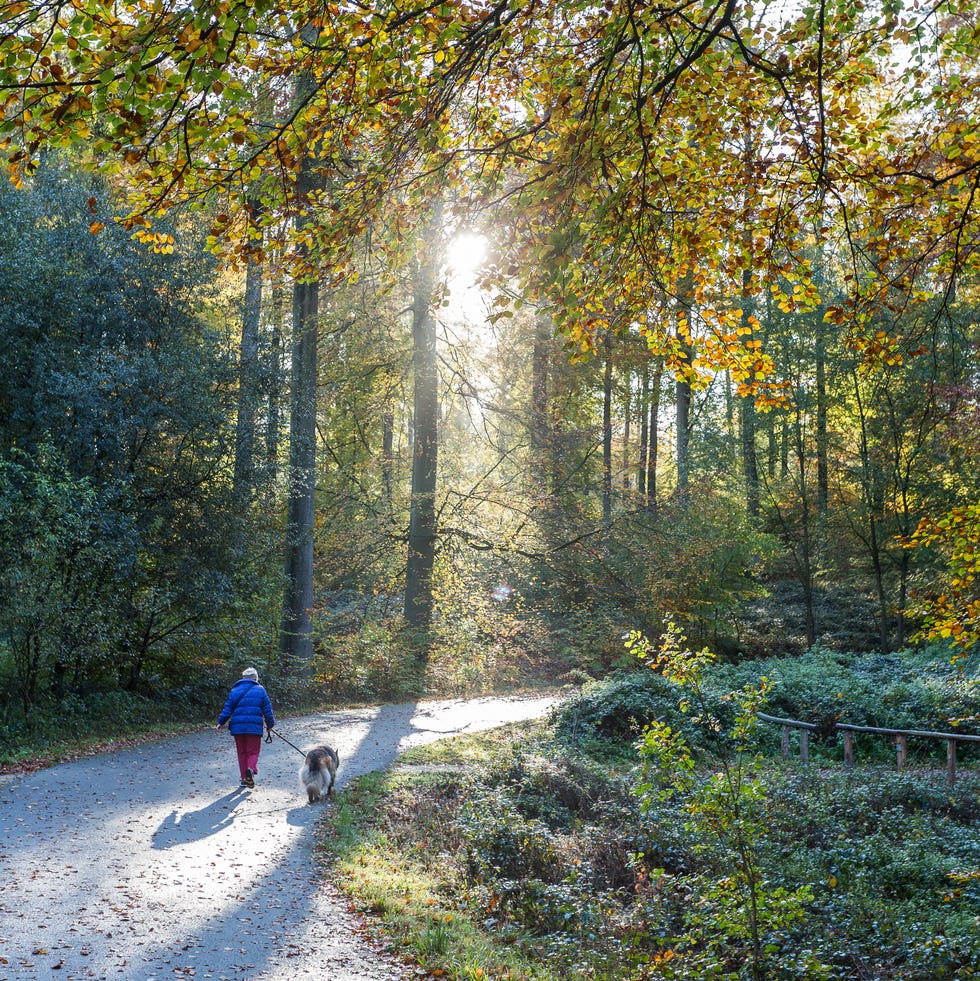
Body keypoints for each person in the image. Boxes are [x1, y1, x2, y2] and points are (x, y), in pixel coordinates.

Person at [215, 667, 275, 788]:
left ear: (243, 678)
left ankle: (243, 778)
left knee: (241, 752)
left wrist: (221, 722)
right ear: (255, 678)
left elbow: (228, 709)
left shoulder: (235, 690)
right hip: (254, 727)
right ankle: (251, 769)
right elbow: (267, 710)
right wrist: (270, 725)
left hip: (238, 728)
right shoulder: (260, 690)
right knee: (253, 751)